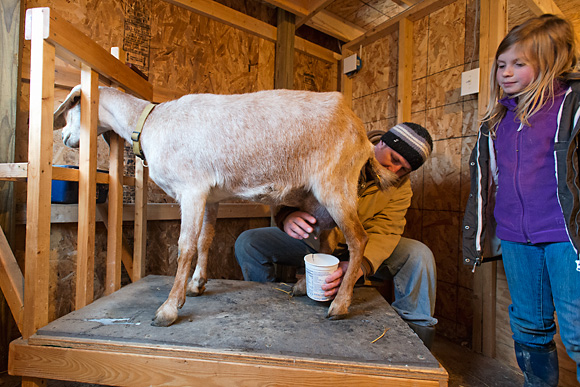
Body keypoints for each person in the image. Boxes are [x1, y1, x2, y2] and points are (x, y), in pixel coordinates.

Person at [235, 122, 438, 348]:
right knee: (249, 243)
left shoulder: (400, 187)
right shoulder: (336, 153)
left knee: (419, 255)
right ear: (381, 143)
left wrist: (355, 268)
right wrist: (287, 216)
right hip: (313, 240)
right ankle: (271, 312)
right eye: (394, 159)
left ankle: (416, 342)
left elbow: (387, 230)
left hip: (361, 248)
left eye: (404, 169)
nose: (394, 171)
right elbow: (291, 189)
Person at [462, 14, 580, 386]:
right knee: (529, 325)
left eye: (518, 64)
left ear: (550, 63)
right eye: (501, 65)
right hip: (517, 238)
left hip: (567, 237)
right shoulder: (497, 120)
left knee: (578, 333)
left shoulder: (571, 106)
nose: (505, 73)